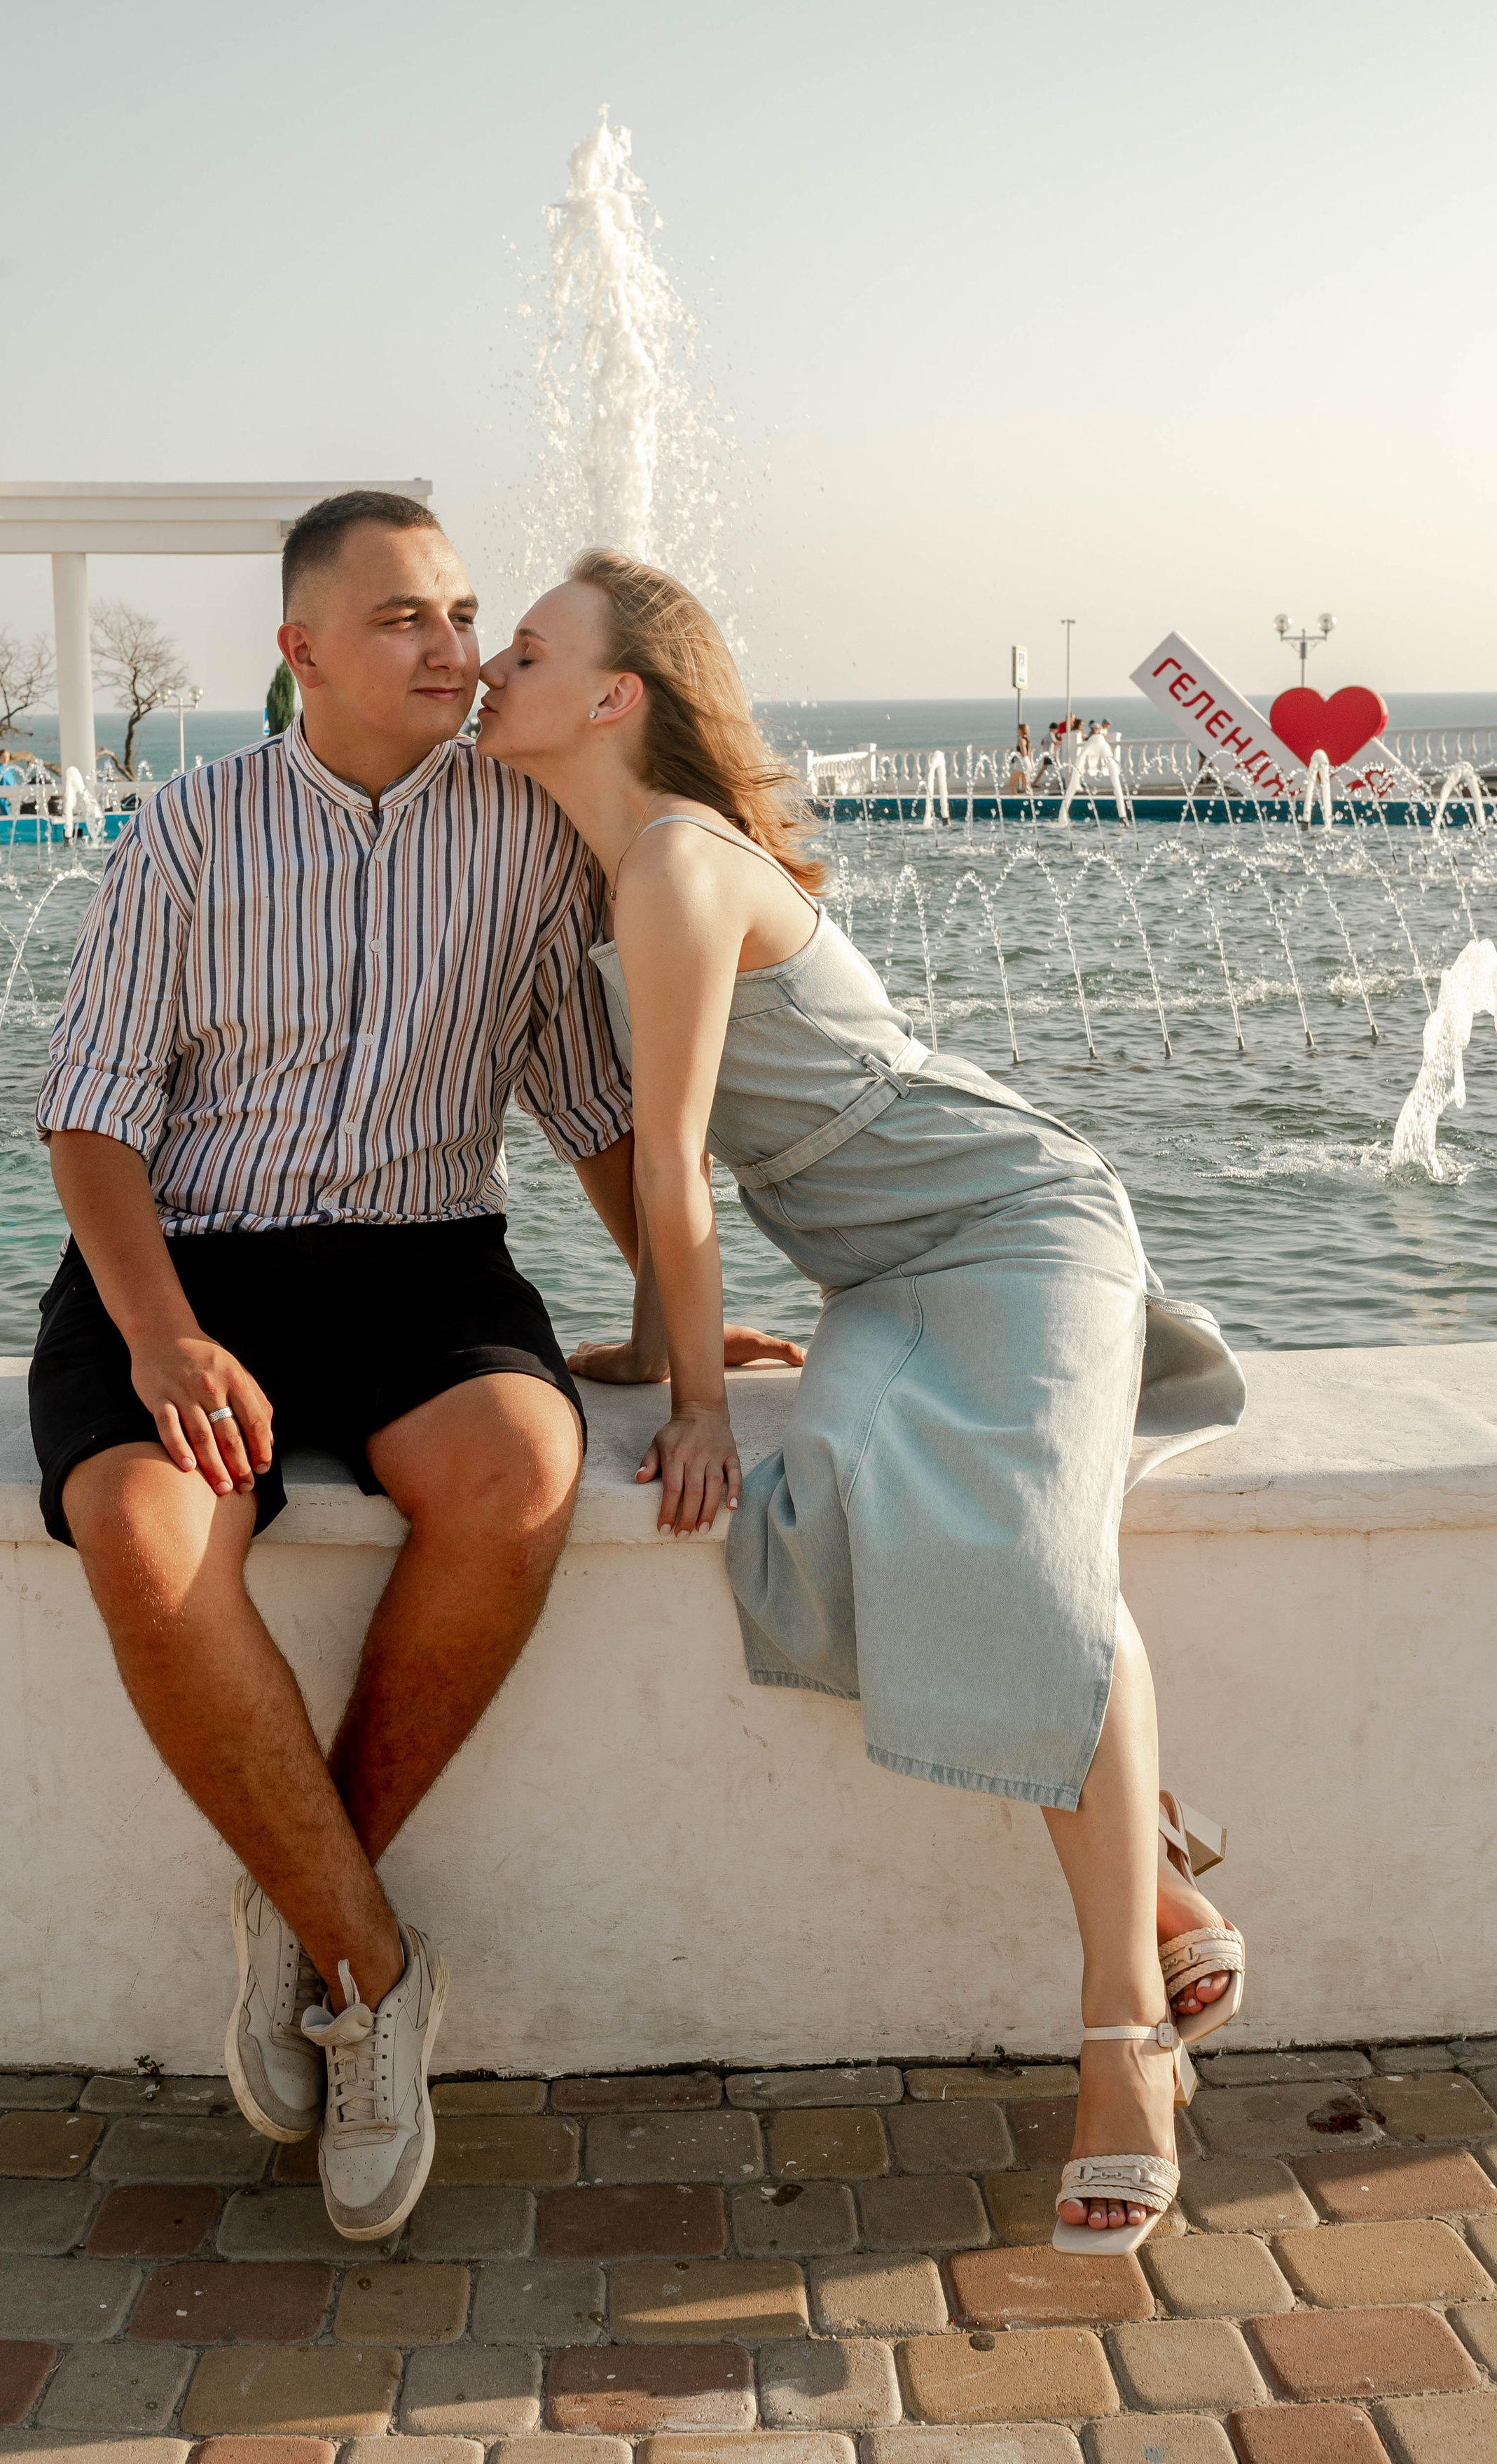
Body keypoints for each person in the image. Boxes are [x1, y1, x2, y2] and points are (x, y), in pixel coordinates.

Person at [32, 491, 793, 2244]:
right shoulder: (189, 829)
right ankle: (371, 1970)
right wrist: (162, 1333)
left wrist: (680, 1326)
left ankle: (304, 1917)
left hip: (423, 1258)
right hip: (188, 1258)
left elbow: (590, 1106)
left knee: (520, 1480)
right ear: (298, 650)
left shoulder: (530, 833)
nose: (453, 647)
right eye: (403, 620)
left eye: (461, 613)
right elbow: (90, 1110)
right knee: (147, 1544)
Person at [477, 548, 1248, 2257]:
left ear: (612, 696)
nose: (488, 670)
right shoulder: (603, 862)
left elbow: (673, 1161)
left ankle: (1123, 2039)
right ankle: (1156, 1873)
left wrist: (695, 1401)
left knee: (1026, 1555)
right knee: (827, 1503)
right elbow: (646, 1149)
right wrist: (652, 1344)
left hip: (1011, 1223)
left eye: (522, 650)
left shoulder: (673, 860)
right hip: (880, 1279)